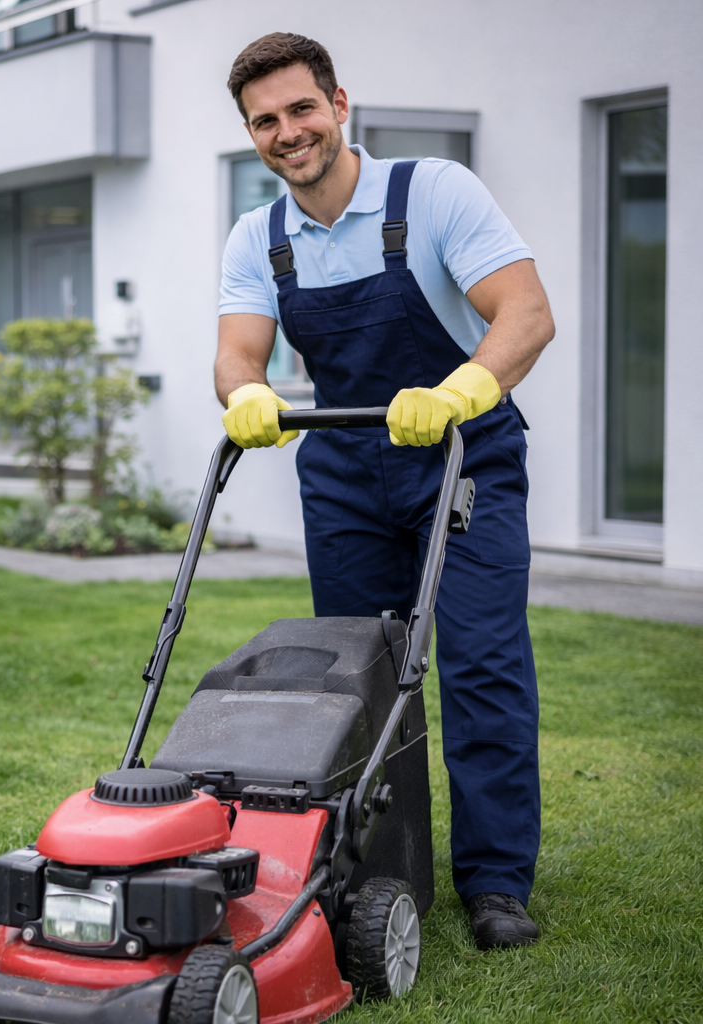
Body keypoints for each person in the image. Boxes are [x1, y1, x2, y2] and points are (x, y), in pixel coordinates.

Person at [214, 34, 555, 950]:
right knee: (358, 683)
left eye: (301, 109)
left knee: (481, 665)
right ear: (250, 133)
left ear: (338, 102)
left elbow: (525, 313)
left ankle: (495, 883)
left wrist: (459, 392)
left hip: (464, 456)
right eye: (265, 121)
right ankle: (377, 871)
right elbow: (239, 349)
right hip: (346, 470)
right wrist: (247, 391)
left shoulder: (433, 191)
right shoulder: (261, 235)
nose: (288, 133)